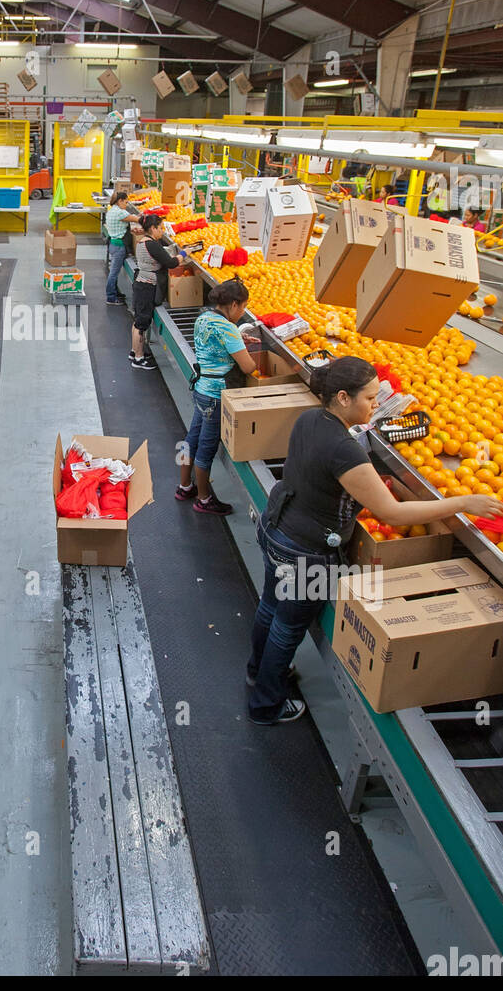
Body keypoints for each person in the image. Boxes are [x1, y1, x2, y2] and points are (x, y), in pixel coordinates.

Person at [248, 356, 503, 725]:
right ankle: (265, 705)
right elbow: (393, 515)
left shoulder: (310, 418)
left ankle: (257, 671)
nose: (377, 403)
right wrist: (465, 501)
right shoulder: (344, 450)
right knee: (288, 627)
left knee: (270, 608)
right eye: (370, 398)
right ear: (343, 398)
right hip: (306, 554)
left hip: (278, 529)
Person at [176, 279, 258, 514]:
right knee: (207, 448)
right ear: (233, 304)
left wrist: (238, 342)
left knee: (190, 439)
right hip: (216, 394)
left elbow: (214, 344)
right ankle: (203, 500)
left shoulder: (204, 318)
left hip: (201, 389)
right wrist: (244, 350)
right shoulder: (229, 328)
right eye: (242, 307)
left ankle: (184, 486)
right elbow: (248, 368)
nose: (242, 313)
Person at [131, 213, 193, 370]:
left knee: (138, 319)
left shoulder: (143, 241)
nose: (162, 231)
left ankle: (134, 351)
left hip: (141, 283)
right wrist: (184, 253)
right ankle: (138, 359)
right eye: (160, 228)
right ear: (152, 228)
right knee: (142, 322)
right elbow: (171, 263)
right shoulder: (152, 244)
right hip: (147, 286)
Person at [104, 191, 142, 305]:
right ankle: (111, 297)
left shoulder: (112, 210)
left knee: (114, 271)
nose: (127, 205)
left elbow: (124, 224)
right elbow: (137, 220)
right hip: (119, 246)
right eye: (126, 202)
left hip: (113, 244)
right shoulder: (120, 212)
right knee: (114, 273)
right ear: (120, 201)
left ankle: (115, 292)